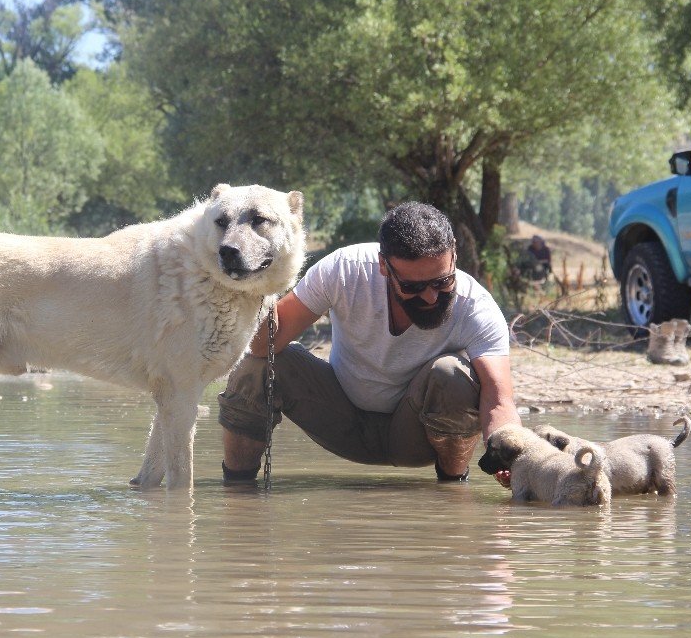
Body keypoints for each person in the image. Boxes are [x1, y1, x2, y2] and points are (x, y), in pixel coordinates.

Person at [218, 201, 521, 484]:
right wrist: (254, 279)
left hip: (419, 438)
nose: (431, 297)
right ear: (384, 266)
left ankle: (453, 486)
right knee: (257, 364)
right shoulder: (344, 270)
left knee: (452, 374)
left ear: (453, 254)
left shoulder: (476, 307)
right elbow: (262, 346)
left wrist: (513, 458)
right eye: (413, 287)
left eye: (442, 282)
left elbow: (499, 400)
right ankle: (238, 492)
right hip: (342, 420)